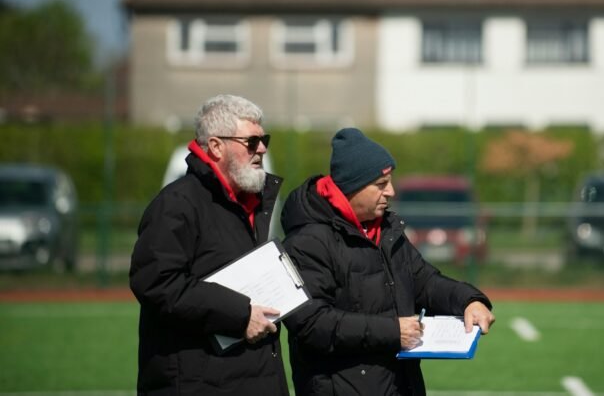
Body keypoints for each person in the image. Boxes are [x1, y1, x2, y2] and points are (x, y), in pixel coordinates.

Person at [281, 127, 495, 396]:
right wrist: (392, 332)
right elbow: (312, 324)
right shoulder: (307, 241)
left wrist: (469, 300)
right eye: (381, 185)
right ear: (352, 187)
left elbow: (424, 281)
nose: (391, 192)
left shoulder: (386, 230)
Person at [129, 94, 289, 396]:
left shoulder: (249, 203)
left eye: (264, 139)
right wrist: (240, 314)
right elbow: (156, 282)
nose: (263, 149)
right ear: (216, 146)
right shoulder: (176, 204)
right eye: (252, 142)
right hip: (196, 383)